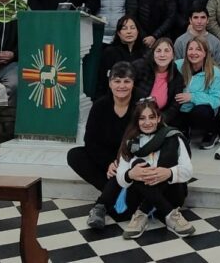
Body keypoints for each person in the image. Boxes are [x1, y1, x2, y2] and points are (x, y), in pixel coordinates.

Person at [68, 62, 136, 228]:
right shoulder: (100, 106)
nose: (121, 86)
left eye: (126, 81)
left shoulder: (141, 106)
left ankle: (103, 204)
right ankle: (115, 193)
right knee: (75, 155)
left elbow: (147, 141)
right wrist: (108, 163)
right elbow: (90, 142)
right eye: (117, 81)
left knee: (123, 214)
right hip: (107, 162)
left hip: (132, 161)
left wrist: (122, 163)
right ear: (110, 83)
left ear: (133, 83)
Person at [115, 99, 195, 239]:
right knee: (137, 164)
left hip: (172, 195)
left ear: (158, 118)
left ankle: (142, 213)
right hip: (140, 197)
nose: (147, 123)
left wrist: (168, 173)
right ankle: (170, 215)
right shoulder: (130, 141)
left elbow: (188, 171)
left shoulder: (173, 137)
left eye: (152, 117)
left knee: (169, 153)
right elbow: (121, 178)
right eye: (142, 118)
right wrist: (131, 174)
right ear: (136, 121)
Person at [175, 37, 220, 149]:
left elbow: (217, 98)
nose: (193, 53)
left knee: (202, 112)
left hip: (200, 111)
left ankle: (212, 132)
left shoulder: (214, 72)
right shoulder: (178, 65)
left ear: (205, 53)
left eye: (198, 49)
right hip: (181, 109)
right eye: (190, 49)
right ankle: (185, 130)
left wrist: (193, 97)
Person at [133, 38, 184, 127]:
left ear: (173, 55)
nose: (162, 55)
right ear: (153, 54)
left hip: (159, 120)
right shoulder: (140, 67)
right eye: (158, 51)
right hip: (135, 117)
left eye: (167, 51)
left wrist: (160, 120)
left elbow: (175, 106)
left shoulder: (177, 76)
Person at [97, 16, 147, 98]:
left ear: (138, 31)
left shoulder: (145, 52)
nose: (129, 32)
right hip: (114, 97)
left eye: (132, 28)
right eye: (124, 28)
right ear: (118, 33)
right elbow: (102, 81)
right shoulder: (110, 52)